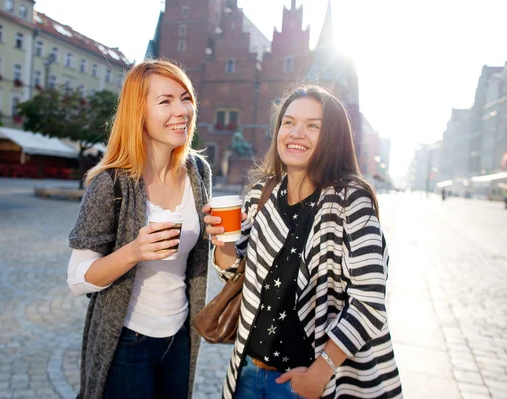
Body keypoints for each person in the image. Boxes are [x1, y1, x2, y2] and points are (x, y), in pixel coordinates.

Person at [204, 86, 402, 399]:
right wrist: (223, 244)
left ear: (332, 138)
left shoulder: (350, 201)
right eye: (289, 122)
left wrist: (320, 372)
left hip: (310, 382)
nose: (297, 133)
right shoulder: (261, 194)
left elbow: (369, 299)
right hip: (249, 372)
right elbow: (235, 275)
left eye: (313, 126)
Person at [67, 59, 211, 399]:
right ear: (139, 112)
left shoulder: (198, 171)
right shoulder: (110, 183)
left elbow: (201, 256)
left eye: (185, 97)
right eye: (165, 101)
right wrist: (134, 251)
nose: (182, 110)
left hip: (180, 336)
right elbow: (77, 279)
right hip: (127, 340)